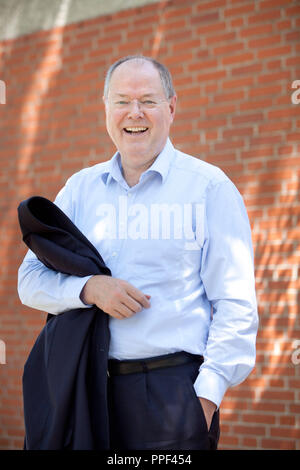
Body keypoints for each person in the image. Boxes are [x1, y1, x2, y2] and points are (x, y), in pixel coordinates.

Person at [18, 55, 258, 450]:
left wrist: (205, 400)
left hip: (172, 396)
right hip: (85, 388)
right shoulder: (80, 190)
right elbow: (29, 281)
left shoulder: (209, 188)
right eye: (122, 101)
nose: (135, 113)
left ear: (171, 107)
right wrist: (90, 289)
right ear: (106, 108)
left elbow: (236, 305)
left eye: (148, 100)